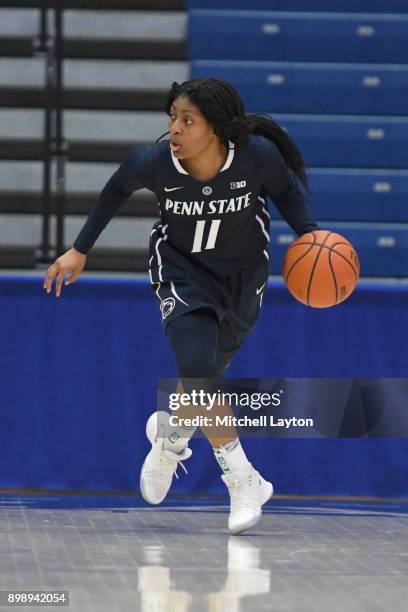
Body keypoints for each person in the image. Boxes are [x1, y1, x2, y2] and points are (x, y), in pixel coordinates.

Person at [43, 77, 319, 534]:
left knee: (203, 383)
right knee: (198, 372)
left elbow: (288, 195)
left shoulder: (256, 158)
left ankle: (171, 436)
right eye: (172, 117)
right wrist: (80, 248)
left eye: (187, 120)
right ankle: (244, 478)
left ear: (215, 128)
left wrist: (311, 236)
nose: (175, 128)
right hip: (181, 273)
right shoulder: (153, 163)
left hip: (243, 278)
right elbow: (115, 189)